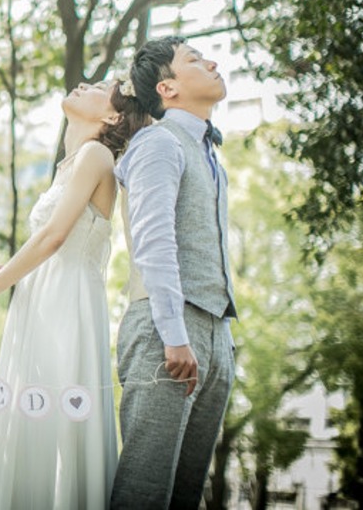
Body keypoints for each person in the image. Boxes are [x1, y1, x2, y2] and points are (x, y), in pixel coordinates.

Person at [0, 79, 149, 510]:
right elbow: (51, 245)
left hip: (67, 307)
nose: (83, 83)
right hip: (40, 299)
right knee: (29, 420)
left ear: (112, 117)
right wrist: (11, 272)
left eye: (100, 87)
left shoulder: (97, 154)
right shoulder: (68, 165)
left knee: (55, 417)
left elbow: (53, 236)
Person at [111, 36, 238, 509]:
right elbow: (154, 242)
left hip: (214, 336)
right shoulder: (158, 142)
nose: (211, 62)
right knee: (144, 494)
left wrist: (221, 340)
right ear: (167, 88)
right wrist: (174, 334)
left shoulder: (210, 156)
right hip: (168, 333)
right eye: (193, 59)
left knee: (186, 498)